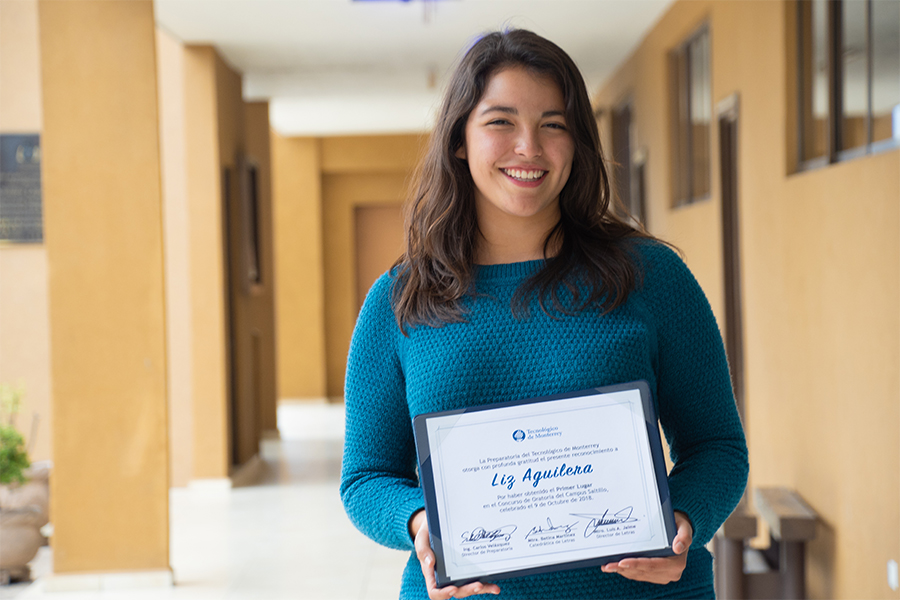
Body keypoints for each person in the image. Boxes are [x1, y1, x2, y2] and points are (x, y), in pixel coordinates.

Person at [340, 29, 748, 599]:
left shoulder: (652, 277)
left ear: (577, 142)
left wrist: (683, 519)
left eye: (553, 124)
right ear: (459, 139)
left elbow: (717, 447)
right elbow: (366, 478)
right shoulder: (400, 299)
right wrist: (420, 523)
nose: (528, 147)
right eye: (500, 122)